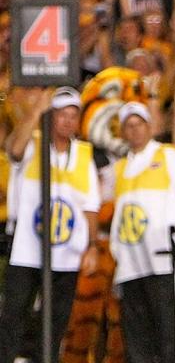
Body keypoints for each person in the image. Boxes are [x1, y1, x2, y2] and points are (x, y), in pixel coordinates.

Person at [0, 87, 100, 363]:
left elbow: (91, 204)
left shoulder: (83, 153)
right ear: (50, 116)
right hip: (27, 248)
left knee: (56, 319)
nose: (67, 121)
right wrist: (36, 111)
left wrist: (92, 246)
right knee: (14, 312)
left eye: (73, 116)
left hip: (67, 253)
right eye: (61, 115)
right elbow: (14, 149)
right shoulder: (33, 143)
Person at [108, 101, 175, 363]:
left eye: (140, 124)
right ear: (124, 131)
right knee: (137, 331)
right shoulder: (121, 166)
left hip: (165, 258)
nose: (135, 130)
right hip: (131, 262)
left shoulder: (167, 155)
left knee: (169, 327)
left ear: (150, 126)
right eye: (130, 125)